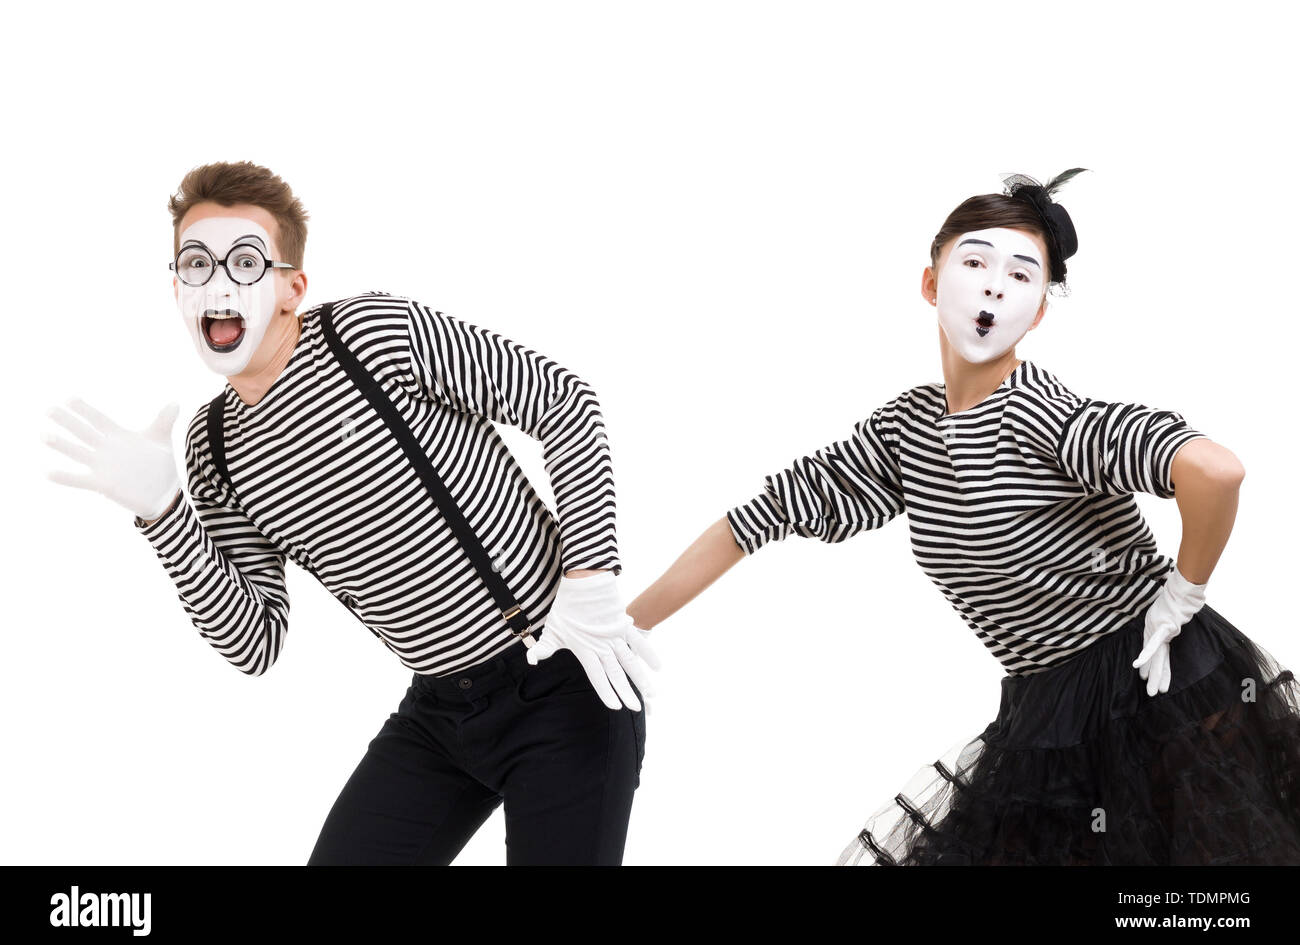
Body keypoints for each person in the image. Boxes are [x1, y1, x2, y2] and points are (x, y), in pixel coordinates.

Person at [625, 168, 1300, 865]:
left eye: (1020, 275)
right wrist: (618, 628)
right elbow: (754, 519)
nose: (992, 286)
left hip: (1158, 685)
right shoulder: (905, 431)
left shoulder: (1047, 415)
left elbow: (1215, 470)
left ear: (1036, 312)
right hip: (1045, 711)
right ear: (930, 283)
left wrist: (1183, 591)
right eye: (974, 262)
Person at [43, 160, 657, 866]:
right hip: (441, 713)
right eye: (196, 264)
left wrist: (590, 580)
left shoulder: (370, 334)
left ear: (290, 287)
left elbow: (562, 400)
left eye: (244, 262)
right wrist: (163, 509)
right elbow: (254, 642)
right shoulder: (211, 451)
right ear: (176, 289)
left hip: (563, 672)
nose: (218, 282)